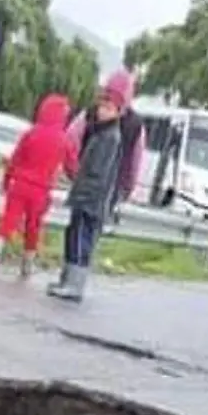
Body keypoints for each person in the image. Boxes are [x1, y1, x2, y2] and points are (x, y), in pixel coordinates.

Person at [0, 94, 76, 278]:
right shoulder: (64, 139)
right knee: (33, 227)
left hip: (19, 184)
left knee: (7, 221)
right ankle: (27, 265)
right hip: (41, 190)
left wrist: (6, 179)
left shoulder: (31, 133)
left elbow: (15, 158)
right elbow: (72, 167)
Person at [49, 82, 125, 302]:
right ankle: (67, 279)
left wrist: (84, 191)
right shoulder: (100, 132)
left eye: (109, 108)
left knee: (81, 238)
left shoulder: (110, 137)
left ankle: (75, 284)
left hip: (91, 199)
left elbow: (98, 172)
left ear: (117, 112)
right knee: (73, 235)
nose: (103, 110)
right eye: (102, 105)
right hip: (84, 194)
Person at [65, 69, 147, 225]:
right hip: (113, 187)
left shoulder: (91, 112)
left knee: (77, 228)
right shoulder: (137, 125)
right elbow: (136, 162)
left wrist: (73, 171)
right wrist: (127, 189)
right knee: (94, 228)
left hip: (85, 182)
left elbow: (71, 138)